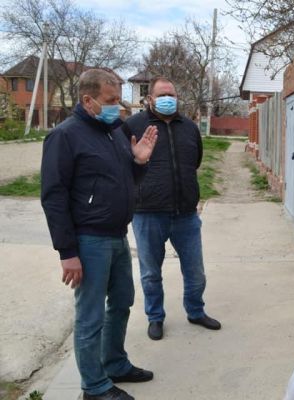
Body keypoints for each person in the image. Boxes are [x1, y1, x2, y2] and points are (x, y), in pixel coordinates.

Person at [41, 69, 158, 400]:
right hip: (89, 240)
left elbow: (126, 181)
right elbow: (53, 197)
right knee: (90, 316)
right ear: (87, 100)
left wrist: (139, 163)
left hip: (118, 235)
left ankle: (115, 364)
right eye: (110, 100)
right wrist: (67, 252)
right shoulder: (65, 136)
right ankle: (94, 387)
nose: (117, 106)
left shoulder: (114, 132)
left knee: (122, 301)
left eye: (118, 99)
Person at [121, 76, 221, 341]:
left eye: (172, 94)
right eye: (162, 95)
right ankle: (155, 317)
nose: (168, 99)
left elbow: (195, 162)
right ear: (150, 99)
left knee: (195, 272)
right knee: (151, 273)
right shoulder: (132, 126)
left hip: (185, 214)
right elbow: (123, 165)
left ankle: (196, 311)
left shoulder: (189, 127)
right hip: (148, 213)